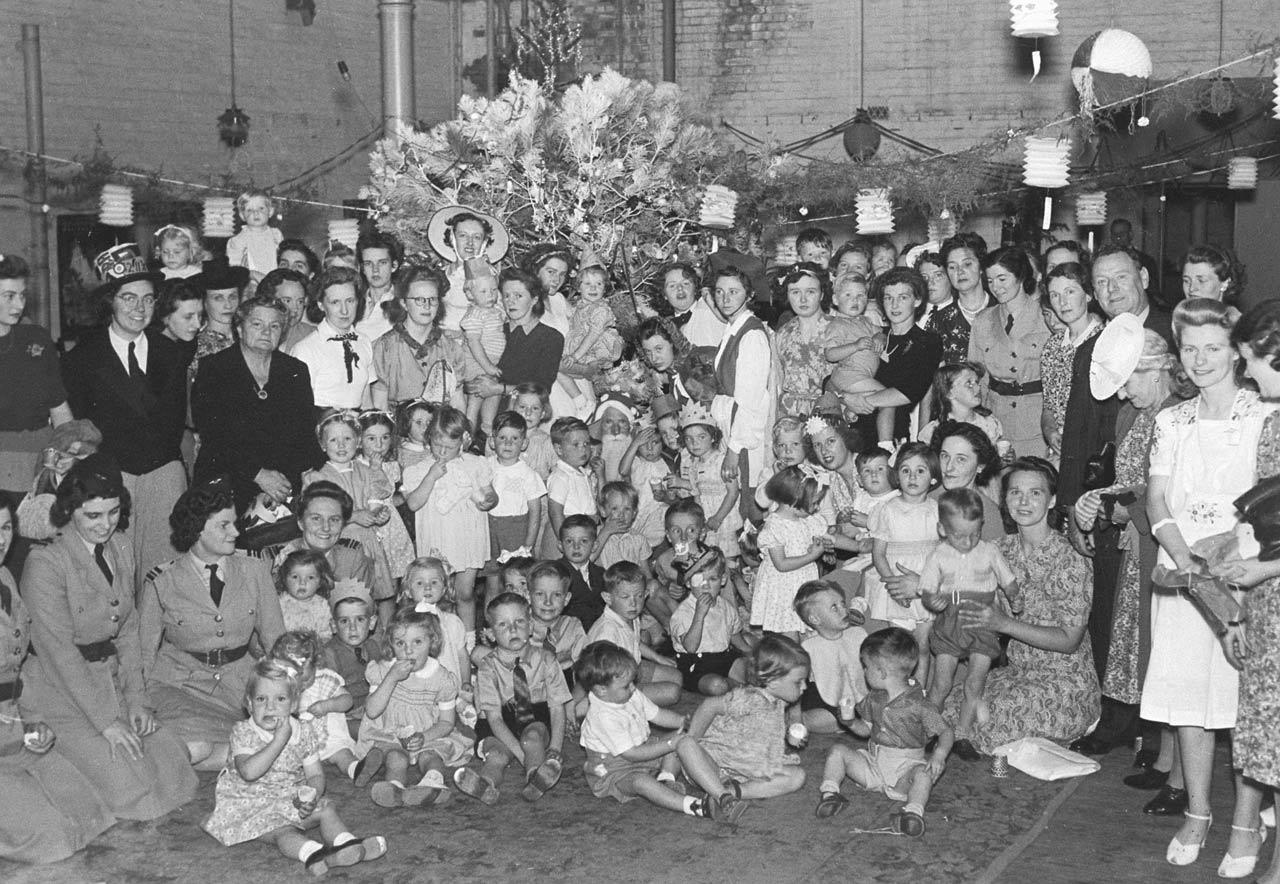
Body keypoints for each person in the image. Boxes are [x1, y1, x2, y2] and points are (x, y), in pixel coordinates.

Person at [1144, 298, 1272, 870]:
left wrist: (1229, 565)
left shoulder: (1266, 414)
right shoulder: (1172, 419)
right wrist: (1186, 560)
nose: (1200, 359)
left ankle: (1247, 824)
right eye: (1189, 348)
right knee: (1188, 702)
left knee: (1249, 705)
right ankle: (1198, 812)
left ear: (1236, 352)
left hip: (1248, 576)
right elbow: (1158, 498)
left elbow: (1272, 510)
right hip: (1185, 574)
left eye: (1213, 347)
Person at [20, 453, 197, 819]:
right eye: (93, 516)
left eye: (114, 512)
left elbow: (128, 630)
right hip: (58, 691)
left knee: (173, 763)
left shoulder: (120, 546)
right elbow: (59, 655)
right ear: (70, 510)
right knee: (136, 793)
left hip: (107, 681)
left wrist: (136, 700)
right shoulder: (46, 563)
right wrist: (106, 721)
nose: (106, 525)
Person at [1072, 319, 1183, 797]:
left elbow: (1175, 491)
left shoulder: (1178, 414)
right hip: (1137, 546)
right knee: (1148, 651)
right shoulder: (1131, 414)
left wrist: (1126, 506)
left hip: (1162, 543)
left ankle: (1174, 765)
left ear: (1156, 371)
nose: (1123, 392)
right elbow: (1129, 475)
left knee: (1165, 649)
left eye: (1131, 380)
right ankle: (1163, 758)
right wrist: (1097, 498)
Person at [949, 457, 1100, 754]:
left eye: (1035, 493)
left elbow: (1070, 641)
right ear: (1004, 499)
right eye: (1015, 492)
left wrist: (1003, 624)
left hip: (1065, 682)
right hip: (1018, 673)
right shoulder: (1000, 550)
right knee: (955, 703)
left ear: (1052, 499)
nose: (1024, 501)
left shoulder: (1070, 558)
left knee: (990, 718)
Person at [62, 244, 189, 587]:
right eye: (128, 298)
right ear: (110, 302)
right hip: (112, 477)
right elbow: (79, 428)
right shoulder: (81, 359)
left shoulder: (172, 353)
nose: (139, 308)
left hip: (163, 474)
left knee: (164, 574)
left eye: (148, 299)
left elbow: (175, 421)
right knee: (114, 571)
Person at [139, 475, 284, 773]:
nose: (235, 532)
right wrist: (137, 703)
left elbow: (276, 642)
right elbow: (143, 651)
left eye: (234, 523)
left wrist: (288, 692)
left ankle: (224, 756)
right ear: (197, 530)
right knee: (198, 746)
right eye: (224, 525)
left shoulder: (255, 571)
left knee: (254, 743)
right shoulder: (161, 581)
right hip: (180, 686)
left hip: (238, 690)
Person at [0, 492, 115, 864]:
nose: (0, 539)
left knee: (94, 814)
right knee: (53, 839)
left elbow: (18, 669)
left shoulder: (4, 577)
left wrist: (33, 720)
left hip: (13, 732)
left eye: (4, 528)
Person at [201, 659, 387, 874]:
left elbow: (316, 774)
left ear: (293, 704)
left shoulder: (303, 731)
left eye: (280, 699)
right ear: (249, 704)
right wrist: (279, 740)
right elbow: (249, 772)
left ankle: (346, 844)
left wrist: (312, 796)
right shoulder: (244, 732)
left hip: (288, 798)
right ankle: (313, 854)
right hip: (250, 805)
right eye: (261, 699)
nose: (271, 707)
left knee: (327, 809)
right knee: (284, 831)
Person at [1218, 300, 1280, 883]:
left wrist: (1262, 572)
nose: (1246, 373)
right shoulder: (1272, 421)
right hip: (1269, 609)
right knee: (1272, 738)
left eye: (1251, 360)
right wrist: (1238, 606)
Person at [815, 627, 952, 837]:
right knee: (838, 751)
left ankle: (913, 813)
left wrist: (939, 755)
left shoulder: (919, 704)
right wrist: (850, 723)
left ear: (881, 672)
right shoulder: (874, 698)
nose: (865, 672)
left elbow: (946, 731)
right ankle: (830, 794)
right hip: (873, 765)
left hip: (906, 770)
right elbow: (866, 730)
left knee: (923, 776)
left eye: (866, 667)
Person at [920, 487, 1022, 760]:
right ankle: (931, 731)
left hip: (982, 619)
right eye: (959, 536)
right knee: (941, 683)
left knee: (974, 684)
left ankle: (963, 734)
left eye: (974, 534)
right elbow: (928, 590)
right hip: (951, 620)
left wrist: (1014, 598)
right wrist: (933, 602)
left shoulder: (988, 550)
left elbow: (1008, 581)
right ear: (943, 529)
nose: (967, 542)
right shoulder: (939, 554)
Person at [192, 294, 319, 511]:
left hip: (282, 485)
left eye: (274, 326)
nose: (266, 332)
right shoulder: (214, 369)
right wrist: (257, 474)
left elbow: (304, 432)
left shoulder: (295, 371)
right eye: (257, 324)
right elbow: (214, 434)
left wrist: (303, 474)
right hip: (227, 481)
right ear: (240, 329)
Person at [576, 640, 724, 818]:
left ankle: (666, 779)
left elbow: (658, 714)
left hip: (643, 747)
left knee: (681, 737)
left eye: (633, 682)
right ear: (601, 690)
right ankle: (695, 806)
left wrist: (681, 721)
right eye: (626, 686)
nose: (633, 688)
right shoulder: (603, 716)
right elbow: (632, 754)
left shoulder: (630, 694)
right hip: (616, 769)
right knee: (641, 782)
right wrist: (669, 744)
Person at [457, 592, 569, 804]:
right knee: (497, 755)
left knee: (532, 738)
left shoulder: (546, 659)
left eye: (519, 621)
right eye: (503, 625)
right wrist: (520, 755)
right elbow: (494, 719)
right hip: (499, 719)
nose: (512, 629)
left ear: (531, 625)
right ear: (490, 634)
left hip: (534, 714)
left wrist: (555, 748)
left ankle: (535, 777)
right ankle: (486, 784)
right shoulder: (487, 667)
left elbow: (556, 707)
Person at [676, 634, 809, 806]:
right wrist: (694, 736)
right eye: (798, 682)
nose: (805, 687)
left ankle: (732, 792)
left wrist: (789, 736)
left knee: (797, 777)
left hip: (745, 770)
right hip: (714, 763)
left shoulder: (779, 701)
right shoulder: (750, 698)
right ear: (773, 681)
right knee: (685, 745)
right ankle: (721, 795)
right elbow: (710, 705)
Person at [358, 608, 470, 808]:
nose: (408, 650)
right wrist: (391, 677)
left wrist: (425, 737)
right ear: (391, 644)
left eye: (417, 642)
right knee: (395, 758)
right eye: (400, 643)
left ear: (432, 642)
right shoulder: (384, 670)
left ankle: (433, 783)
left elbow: (446, 722)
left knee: (431, 756)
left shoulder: (442, 678)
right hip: (391, 733)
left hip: (428, 734)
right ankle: (394, 788)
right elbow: (372, 711)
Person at [402, 405, 498, 635]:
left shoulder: (476, 464)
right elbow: (413, 503)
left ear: (464, 440)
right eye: (437, 445)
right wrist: (431, 477)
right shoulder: (418, 469)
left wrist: (489, 500)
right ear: (429, 440)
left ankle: (468, 643)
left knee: (465, 593)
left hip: (467, 537)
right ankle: (433, 640)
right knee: (434, 596)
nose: (443, 452)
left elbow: (491, 494)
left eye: (450, 447)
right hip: (437, 537)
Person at [840, 268, 943, 444]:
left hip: (892, 437)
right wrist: (843, 400)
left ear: (917, 300)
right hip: (853, 432)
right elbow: (841, 371)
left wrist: (858, 402)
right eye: (888, 298)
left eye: (903, 297)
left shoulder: (928, 342)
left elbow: (909, 391)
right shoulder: (872, 335)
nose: (894, 305)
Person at [866, 442, 941, 679]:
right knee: (899, 649)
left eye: (921, 471)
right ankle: (899, 695)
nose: (912, 476)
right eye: (905, 470)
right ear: (897, 475)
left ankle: (920, 695)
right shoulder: (887, 510)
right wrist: (893, 585)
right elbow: (878, 554)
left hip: (925, 585)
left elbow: (944, 554)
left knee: (922, 646)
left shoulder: (937, 510)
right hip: (896, 585)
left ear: (933, 478)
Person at [968, 246, 1051, 458]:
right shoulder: (983, 321)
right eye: (990, 280)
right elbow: (977, 376)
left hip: (1037, 423)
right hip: (997, 422)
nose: (995, 287)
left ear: (1021, 276)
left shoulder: (1047, 317)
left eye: (1002, 279)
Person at [0, 254, 72, 496]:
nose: (19, 305)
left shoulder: (36, 339)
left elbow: (59, 407)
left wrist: (70, 451)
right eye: (9, 296)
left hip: (42, 464)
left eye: (22, 295)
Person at [709, 265, 776, 512]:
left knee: (749, 500)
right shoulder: (733, 328)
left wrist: (734, 451)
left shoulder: (752, 336)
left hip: (746, 433)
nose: (725, 299)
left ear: (748, 295)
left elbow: (750, 400)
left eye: (733, 292)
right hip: (730, 424)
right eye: (719, 292)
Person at [583, 561, 683, 707]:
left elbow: (635, 641)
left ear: (646, 594)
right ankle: (626, 708)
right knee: (672, 692)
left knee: (677, 677)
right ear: (608, 598)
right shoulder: (607, 632)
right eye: (625, 597)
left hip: (632, 667)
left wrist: (658, 658)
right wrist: (627, 689)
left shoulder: (630, 615)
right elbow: (603, 677)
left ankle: (640, 703)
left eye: (639, 596)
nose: (634, 603)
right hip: (613, 681)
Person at [464, 267, 567, 408]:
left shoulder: (550, 338)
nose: (510, 302)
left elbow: (541, 390)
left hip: (520, 418)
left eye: (518, 296)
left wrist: (498, 389)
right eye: (506, 296)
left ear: (534, 299)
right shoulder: (492, 331)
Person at [750, 464, 832, 637]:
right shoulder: (775, 526)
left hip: (802, 583)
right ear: (795, 500)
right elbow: (781, 564)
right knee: (789, 633)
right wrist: (812, 556)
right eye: (814, 502)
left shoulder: (807, 520)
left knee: (807, 632)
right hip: (783, 588)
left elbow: (827, 536)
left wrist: (830, 547)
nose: (816, 507)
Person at [372, 263, 462, 411]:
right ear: (404, 303)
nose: (427, 306)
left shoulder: (451, 348)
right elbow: (380, 404)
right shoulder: (384, 347)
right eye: (419, 300)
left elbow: (457, 404)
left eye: (432, 299)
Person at [291, 266, 378, 410]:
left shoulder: (363, 342)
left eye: (350, 301)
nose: (344, 310)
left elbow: (366, 401)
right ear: (321, 305)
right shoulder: (305, 350)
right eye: (335, 302)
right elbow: (299, 408)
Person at [1040, 262, 1102, 462]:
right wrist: (1050, 431)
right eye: (1055, 295)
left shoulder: (1103, 340)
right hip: (1058, 449)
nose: (1062, 302)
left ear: (1088, 295)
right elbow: (1049, 404)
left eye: (1070, 292)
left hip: (1091, 447)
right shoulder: (1053, 345)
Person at [668, 548, 750, 697]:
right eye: (699, 580)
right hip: (696, 664)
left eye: (713, 579)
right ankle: (738, 688)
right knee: (717, 686)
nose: (706, 586)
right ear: (688, 583)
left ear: (723, 580)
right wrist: (699, 615)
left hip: (724, 657)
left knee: (751, 670)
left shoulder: (725, 606)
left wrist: (750, 652)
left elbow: (734, 635)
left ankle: (739, 685)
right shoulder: (683, 613)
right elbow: (690, 647)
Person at [795, 579, 869, 735]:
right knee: (817, 719)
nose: (844, 610)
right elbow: (798, 684)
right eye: (834, 608)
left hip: (860, 698)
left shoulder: (858, 634)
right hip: (826, 701)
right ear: (815, 619)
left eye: (843, 604)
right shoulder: (809, 647)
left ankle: (850, 723)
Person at [425, 204, 510, 334]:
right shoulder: (439, 276)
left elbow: (499, 316)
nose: (470, 242)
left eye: (476, 237)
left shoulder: (492, 278)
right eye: (463, 235)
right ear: (452, 238)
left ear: (484, 242)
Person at [774, 262, 835, 416]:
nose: (802, 300)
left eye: (810, 292)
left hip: (829, 412)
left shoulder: (838, 329)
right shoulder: (782, 334)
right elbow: (779, 383)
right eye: (795, 292)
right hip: (792, 416)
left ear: (821, 294)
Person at [927, 232, 991, 365]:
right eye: (952, 267)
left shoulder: (1002, 310)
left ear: (981, 267)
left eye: (967, 264)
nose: (959, 271)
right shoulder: (939, 321)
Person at [917, 361, 1005, 447]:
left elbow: (996, 457)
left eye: (977, 382)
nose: (978, 388)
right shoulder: (934, 430)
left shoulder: (989, 424)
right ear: (949, 393)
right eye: (969, 384)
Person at [190, 256, 248, 381]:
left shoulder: (247, 335)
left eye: (232, 296)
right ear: (204, 302)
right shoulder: (196, 348)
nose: (228, 305)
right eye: (218, 298)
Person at [658, 262, 726, 350]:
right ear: (664, 295)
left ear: (695, 288)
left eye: (685, 283)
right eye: (672, 286)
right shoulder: (666, 328)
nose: (680, 288)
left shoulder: (709, 305)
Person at [636, 315, 696, 406]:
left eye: (658, 349)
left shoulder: (696, 365)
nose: (653, 358)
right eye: (648, 352)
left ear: (673, 341)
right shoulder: (673, 373)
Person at [224, 189, 283, 281]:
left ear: (270, 211)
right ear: (242, 215)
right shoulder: (237, 240)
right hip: (251, 285)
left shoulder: (276, 235)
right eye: (249, 210)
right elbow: (234, 270)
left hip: (275, 283)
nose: (256, 213)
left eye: (261, 208)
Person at [354, 230, 402, 341]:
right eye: (368, 263)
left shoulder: (403, 303)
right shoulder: (355, 302)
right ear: (362, 269)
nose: (375, 270)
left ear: (394, 266)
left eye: (382, 263)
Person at [256, 267, 313, 352]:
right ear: (269, 300)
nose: (295, 309)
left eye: (300, 301)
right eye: (287, 301)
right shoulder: (255, 334)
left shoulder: (312, 335)